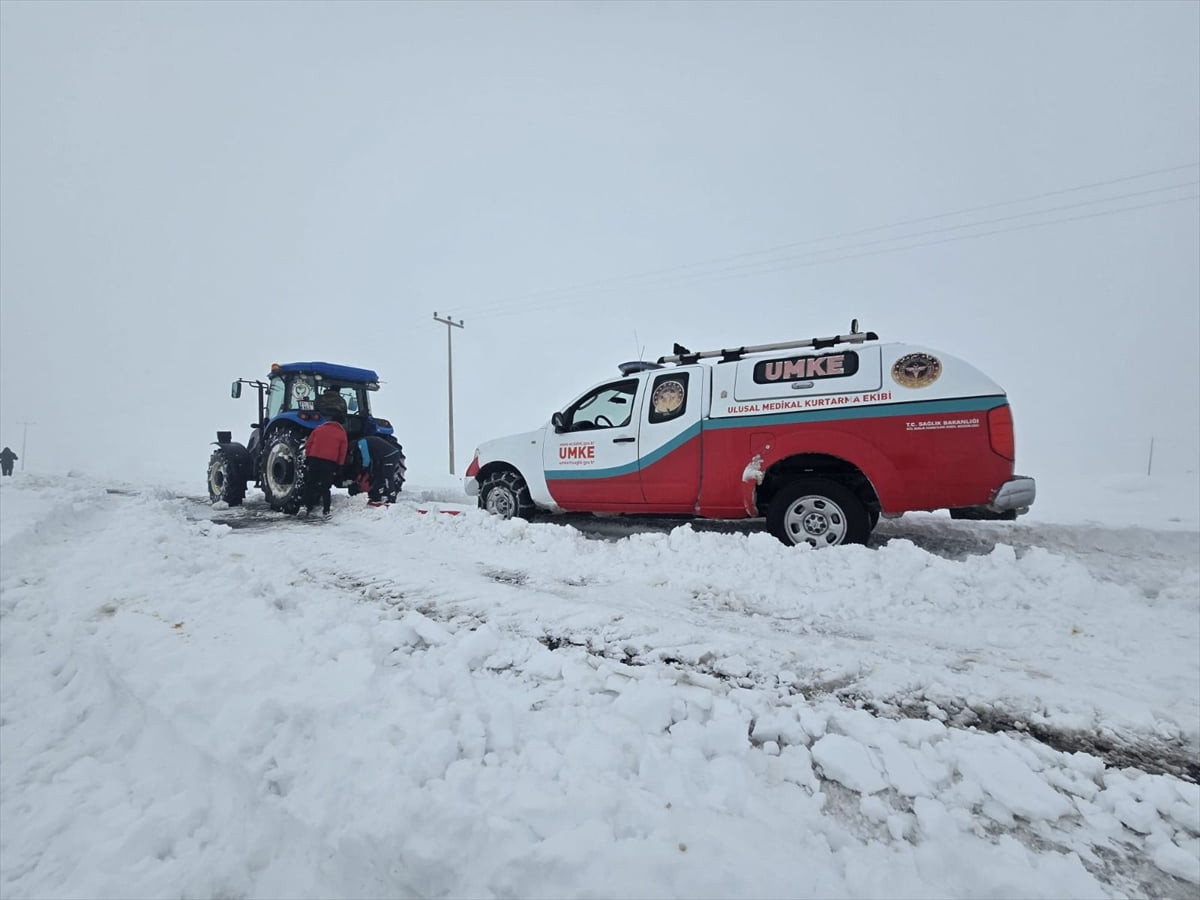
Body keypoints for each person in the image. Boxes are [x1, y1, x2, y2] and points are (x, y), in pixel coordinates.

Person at [301, 411, 347, 517]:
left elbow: (309, 444)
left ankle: (304, 506)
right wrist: (340, 466)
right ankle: (326, 511)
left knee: (310, 484)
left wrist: (308, 457)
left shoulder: (318, 429)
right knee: (325, 487)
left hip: (314, 460)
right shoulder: (341, 434)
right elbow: (342, 452)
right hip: (329, 463)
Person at [348, 435, 405, 504]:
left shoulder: (361, 443)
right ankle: (377, 496)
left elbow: (366, 459)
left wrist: (363, 470)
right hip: (386, 456)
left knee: (387, 477)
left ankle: (391, 498)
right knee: (379, 476)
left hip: (390, 456)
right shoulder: (364, 440)